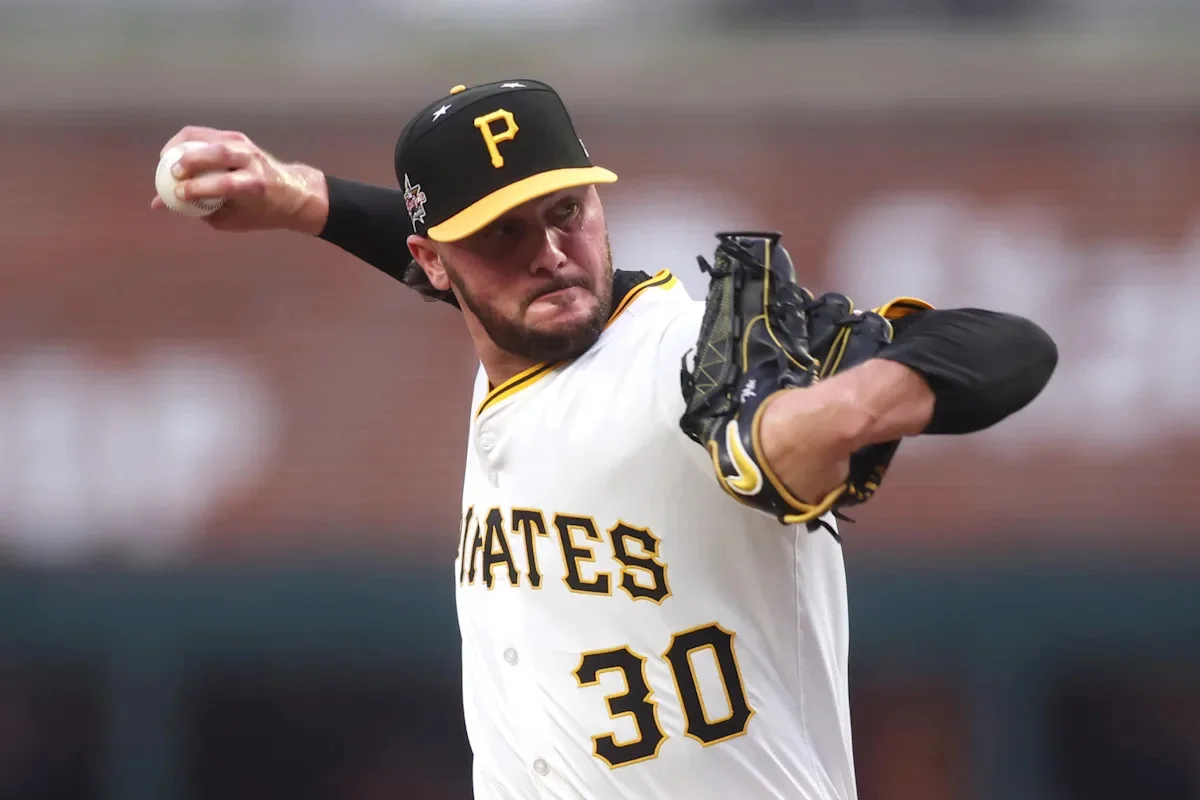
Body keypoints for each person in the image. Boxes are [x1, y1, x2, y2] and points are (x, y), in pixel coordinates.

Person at [152, 79, 1058, 800]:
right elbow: (445, 254)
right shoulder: (512, 327)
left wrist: (833, 412)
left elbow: (1015, 347)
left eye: (566, 211)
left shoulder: (694, 357)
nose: (549, 252)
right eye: (503, 232)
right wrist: (302, 197)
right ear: (434, 264)